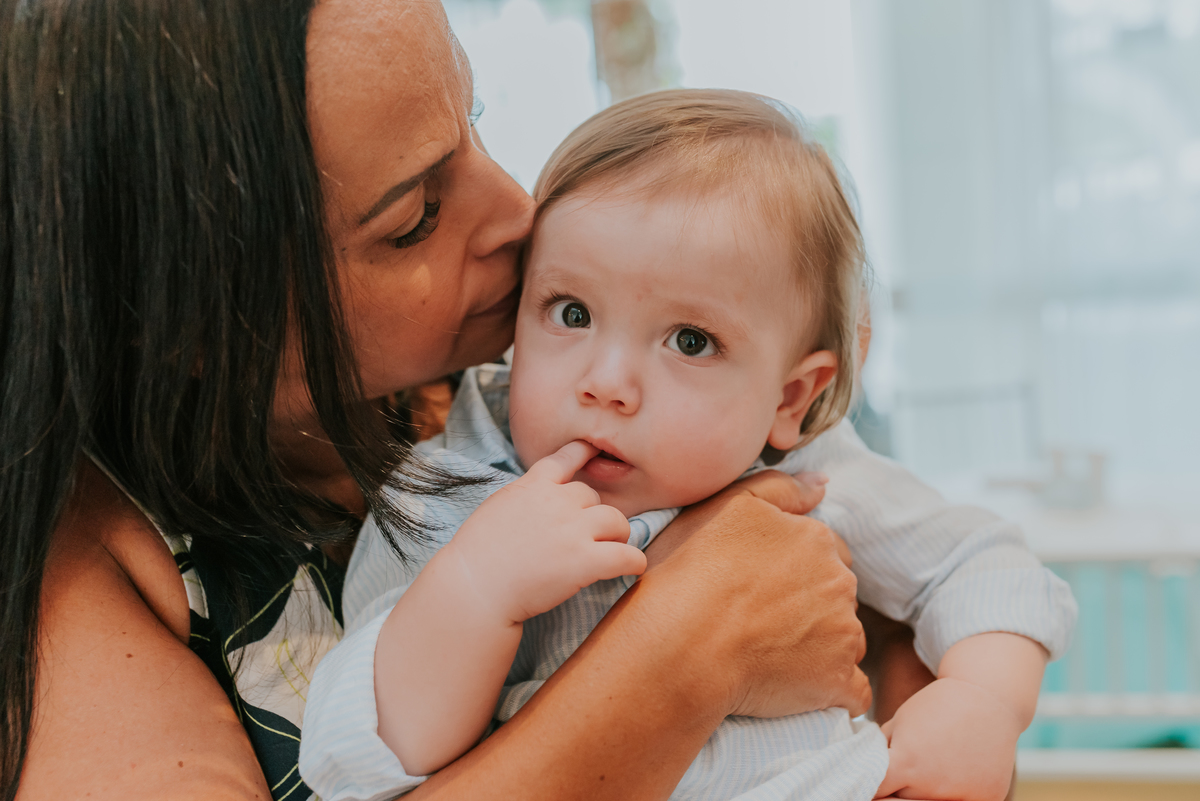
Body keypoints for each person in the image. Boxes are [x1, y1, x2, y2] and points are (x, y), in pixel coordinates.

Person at [0, 2, 878, 799]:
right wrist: (689, 645)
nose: (518, 211)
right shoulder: (87, 580)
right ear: (184, 325)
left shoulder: (516, 388)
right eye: (418, 212)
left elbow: (870, 640)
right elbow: (761, 611)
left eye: (477, 125)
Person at [299, 90, 1078, 801]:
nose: (606, 382)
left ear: (789, 398)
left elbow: (985, 567)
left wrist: (982, 700)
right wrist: (476, 586)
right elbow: (348, 760)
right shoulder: (443, 493)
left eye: (691, 340)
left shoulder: (807, 470)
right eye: (570, 313)